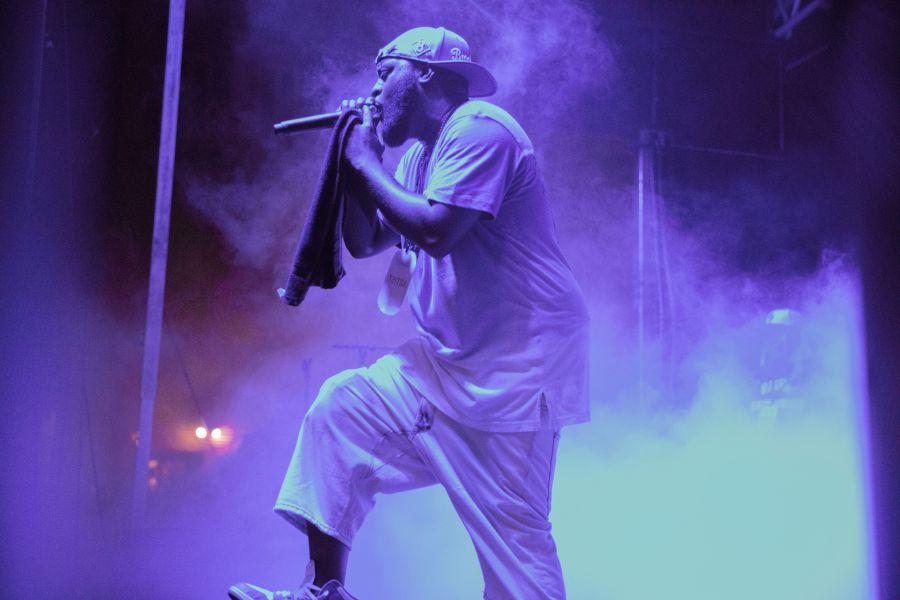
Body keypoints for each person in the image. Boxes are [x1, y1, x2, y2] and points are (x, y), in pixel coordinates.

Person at [229, 26, 590, 600]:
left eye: (383, 72)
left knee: (517, 557)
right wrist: (355, 166)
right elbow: (366, 240)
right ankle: (322, 592)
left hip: (518, 369)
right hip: (444, 362)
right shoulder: (424, 154)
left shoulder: (481, 130)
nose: (372, 90)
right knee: (340, 409)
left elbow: (436, 230)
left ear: (422, 71)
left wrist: (367, 160)